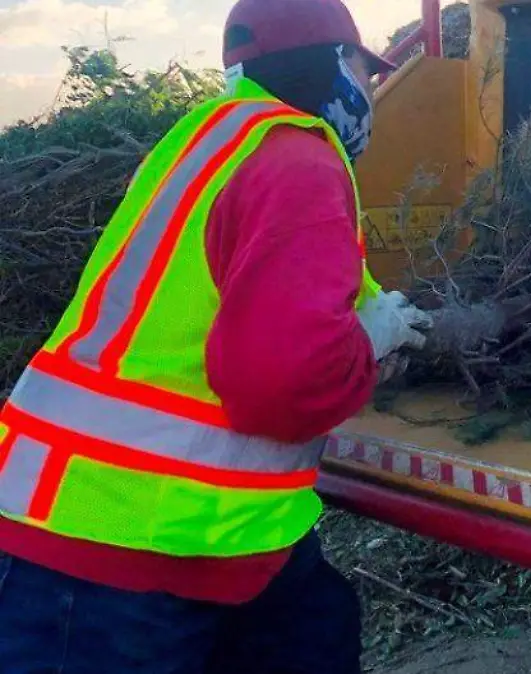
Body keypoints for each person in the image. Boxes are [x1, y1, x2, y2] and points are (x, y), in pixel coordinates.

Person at [0, 0, 429, 671]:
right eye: (363, 71)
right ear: (332, 66)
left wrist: (374, 328)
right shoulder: (297, 160)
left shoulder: (211, 139)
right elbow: (280, 389)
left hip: (157, 534)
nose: (371, 92)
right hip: (122, 557)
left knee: (318, 627)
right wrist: (366, 344)